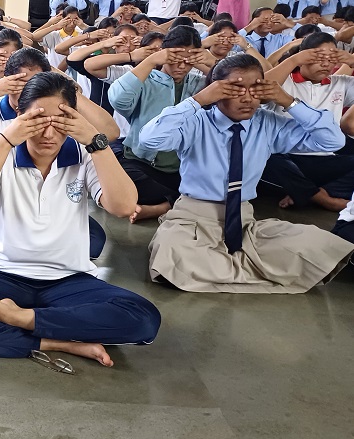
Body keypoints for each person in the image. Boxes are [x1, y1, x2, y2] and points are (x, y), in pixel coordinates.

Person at [0, 72, 161, 369]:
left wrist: (95, 141)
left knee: (144, 318)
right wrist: (6, 139)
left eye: (60, 122)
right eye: (37, 121)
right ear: (19, 116)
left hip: (68, 277)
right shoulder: (0, 150)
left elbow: (124, 205)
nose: (48, 134)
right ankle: (56, 340)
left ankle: (22, 319)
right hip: (3, 272)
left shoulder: (86, 153)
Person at [140, 54, 352, 292]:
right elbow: (149, 139)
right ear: (216, 90)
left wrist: (288, 101)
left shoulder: (268, 123)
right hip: (193, 219)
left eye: (256, 89)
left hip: (244, 224)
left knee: (318, 243)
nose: (248, 98)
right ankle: (248, 268)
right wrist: (198, 100)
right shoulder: (197, 121)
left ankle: (221, 270)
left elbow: (332, 141)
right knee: (172, 251)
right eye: (236, 89)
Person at [107, 26, 211, 222]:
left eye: (188, 61)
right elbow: (118, 99)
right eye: (175, 59)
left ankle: (161, 207)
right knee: (118, 180)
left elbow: (232, 90)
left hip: (181, 167)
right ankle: (174, 203)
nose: (181, 66)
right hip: (141, 163)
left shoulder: (200, 84)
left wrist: (211, 63)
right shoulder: (147, 80)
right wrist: (152, 60)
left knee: (217, 185)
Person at [261, 33, 354, 212]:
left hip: (324, 157)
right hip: (287, 157)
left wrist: (351, 61)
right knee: (266, 157)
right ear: (303, 56)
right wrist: (293, 60)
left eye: (331, 58)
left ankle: (308, 191)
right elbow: (260, 91)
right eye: (319, 57)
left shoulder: (340, 83)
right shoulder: (283, 81)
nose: (326, 64)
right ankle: (322, 199)